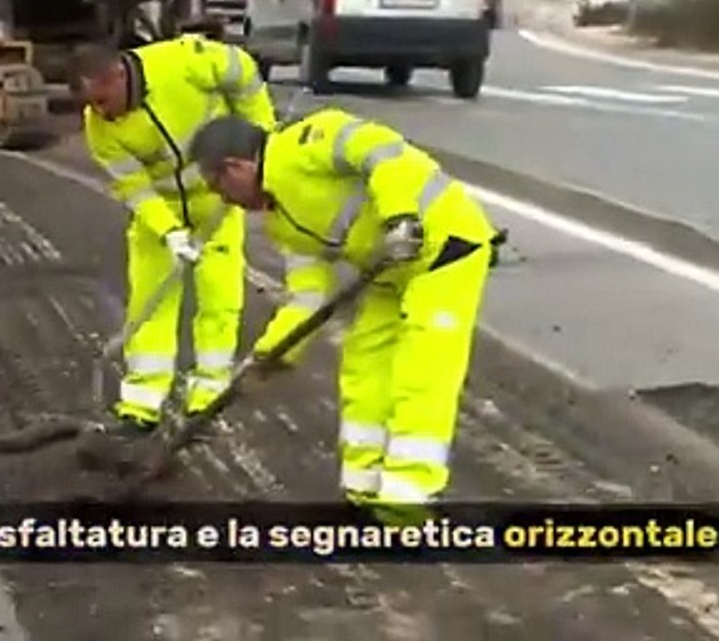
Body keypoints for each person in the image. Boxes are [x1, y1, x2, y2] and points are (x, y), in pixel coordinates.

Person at [186, 108, 500, 519]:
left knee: (422, 370)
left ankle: (407, 497)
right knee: (364, 364)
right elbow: (308, 296)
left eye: (218, 186)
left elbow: (384, 153)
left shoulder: (309, 141)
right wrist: (271, 354)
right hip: (389, 271)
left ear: (236, 166)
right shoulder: (281, 222)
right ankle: (363, 489)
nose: (224, 200)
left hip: (446, 244)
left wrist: (400, 217)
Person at [68, 35, 277, 434]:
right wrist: (168, 233)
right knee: (150, 302)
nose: (100, 112)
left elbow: (245, 74)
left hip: (217, 202)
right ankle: (142, 403)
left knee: (220, 298)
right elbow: (134, 188)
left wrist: (261, 141)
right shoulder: (100, 130)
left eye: (102, 100)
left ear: (116, 75)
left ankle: (208, 397)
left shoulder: (184, 61)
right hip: (160, 217)